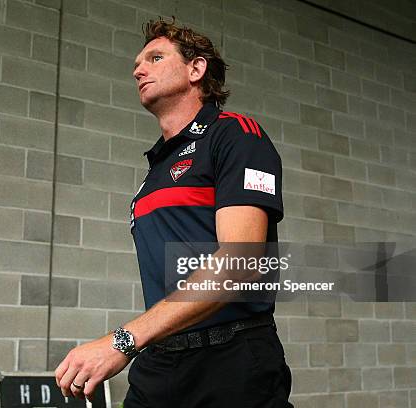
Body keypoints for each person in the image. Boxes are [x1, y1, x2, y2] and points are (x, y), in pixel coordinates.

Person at [55, 18, 293, 407]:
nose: (138, 69)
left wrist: (121, 341)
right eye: (137, 63)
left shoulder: (234, 135)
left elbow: (240, 262)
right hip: (161, 360)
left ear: (196, 69)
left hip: (230, 360)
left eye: (155, 57)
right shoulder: (156, 169)